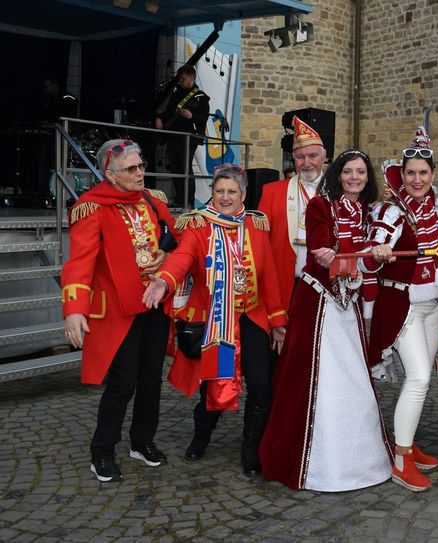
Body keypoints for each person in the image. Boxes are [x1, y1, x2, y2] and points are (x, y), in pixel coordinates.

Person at [259, 150, 392, 491]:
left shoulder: (368, 212)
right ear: (337, 174)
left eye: (360, 172)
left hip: (348, 304)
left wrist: (377, 256)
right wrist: (334, 254)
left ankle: (360, 460)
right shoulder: (321, 206)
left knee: (353, 377)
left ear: (367, 177)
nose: (354, 178)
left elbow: (367, 264)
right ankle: (314, 463)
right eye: (348, 171)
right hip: (319, 302)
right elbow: (320, 250)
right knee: (315, 376)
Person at [142, 164, 287, 476]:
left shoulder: (257, 225)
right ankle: (201, 436)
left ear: (243, 195)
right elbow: (182, 257)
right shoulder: (199, 226)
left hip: (252, 315)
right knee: (213, 386)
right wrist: (164, 280)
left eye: (231, 191)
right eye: (219, 191)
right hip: (217, 319)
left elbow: (270, 275)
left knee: (261, 385)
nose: (225, 197)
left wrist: (277, 321)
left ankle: (252, 450)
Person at [62, 139, 176, 482]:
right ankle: (102, 451)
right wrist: (74, 309)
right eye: (131, 168)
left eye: (141, 165)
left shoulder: (153, 202)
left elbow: (176, 236)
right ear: (110, 174)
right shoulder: (91, 207)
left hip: (154, 304)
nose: (140, 172)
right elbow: (79, 263)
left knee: (152, 379)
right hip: (119, 310)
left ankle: (141, 442)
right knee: (122, 383)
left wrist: (167, 256)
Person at [363, 127, 438, 492]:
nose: (417, 179)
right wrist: (377, 255)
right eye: (410, 173)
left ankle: (407, 444)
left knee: (422, 379)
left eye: (423, 173)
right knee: (419, 378)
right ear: (401, 174)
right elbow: (367, 262)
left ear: (431, 175)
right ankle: (399, 459)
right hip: (406, 303)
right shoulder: (390, 212)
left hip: (436, 303)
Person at [257, 116, 327, 309]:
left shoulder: (338, 193)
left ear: (324, 157)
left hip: (328, 286)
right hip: (287, 285)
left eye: (313, 156)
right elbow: (260, 245)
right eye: (300, 157)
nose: (306, 163)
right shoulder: (271, 192)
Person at [153, 64, 210, 209]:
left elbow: (203, 117)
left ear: (191, 77)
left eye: (183, 78)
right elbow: (168, 112)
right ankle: (179, 200)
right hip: (173, 136)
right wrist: (159, 118)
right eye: (180, 79)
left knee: (185, 169)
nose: (181, 81)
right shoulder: (176, 93)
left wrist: (191, 116)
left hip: (188, 138)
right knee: (176, 169)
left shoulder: (200, 97)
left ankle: (189, 202)